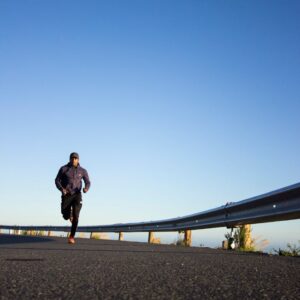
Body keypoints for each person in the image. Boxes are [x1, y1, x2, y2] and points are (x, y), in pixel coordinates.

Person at [55, 152, 91, 244]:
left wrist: (86, 188)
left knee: (76, 216)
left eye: (75, 158)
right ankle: (68, 215)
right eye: (72, 158)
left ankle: (71, 236)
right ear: (70, 159)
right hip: (66, 194)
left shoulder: (82, 171)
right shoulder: (64, 169)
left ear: (78, 160)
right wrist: (61, 189)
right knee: (65, 215)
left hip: (77, 195)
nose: (74, 160)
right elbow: (57, 180)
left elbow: (88, 182)